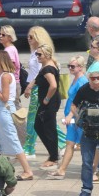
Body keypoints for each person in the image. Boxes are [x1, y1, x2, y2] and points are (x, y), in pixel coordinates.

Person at [66, 69, 99, 196]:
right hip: (88, 131)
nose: (96, 81)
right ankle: (86, 189)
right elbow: (73, 105)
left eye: (98, 78)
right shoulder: (84, 89)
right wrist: (80, 117)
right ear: (89, 79)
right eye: (93, 78)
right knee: (86, 162)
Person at [0, 51, 34, 181]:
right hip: (2, 110)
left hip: (5, 111)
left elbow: (5, 97)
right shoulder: (2, 75)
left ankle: (27, 171)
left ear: (0, 59)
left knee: (12, 139)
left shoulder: (5, 76)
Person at [23, 27, 66, 159]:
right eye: (28, 36)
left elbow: (50, 82)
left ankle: (29, 148)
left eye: (31, 37)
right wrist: (29, 86)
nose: (28, 39)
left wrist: (45, 97)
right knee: (44, 121)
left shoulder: (45, 60)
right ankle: (63, 143)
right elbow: (38, 74)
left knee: (37, 120)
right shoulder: (36, 54)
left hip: (41, 91)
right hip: (36, 88)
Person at [51, 56, 88, 180]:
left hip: (77, 118)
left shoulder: (82, 81)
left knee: (85, 144)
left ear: (81, 67)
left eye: (73, 66)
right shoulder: (75, 79)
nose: (70, 68)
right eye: (69, 66)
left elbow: (81, 102)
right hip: (71, 118)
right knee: (70, 143)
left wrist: (70, 115)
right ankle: (62, 169)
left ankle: (95, 169)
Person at [32, 44, 61, 169]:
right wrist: (29, 87)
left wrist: (46, 99)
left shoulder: (48, 68)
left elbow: (53, 85)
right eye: (36, 54)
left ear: (47, 55)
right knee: (39, 126)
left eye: (39, 54)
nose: (37, 56)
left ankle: (54, 157)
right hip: (49, 102)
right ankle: (53, 154)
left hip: (49, 102)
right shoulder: (47, 66)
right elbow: (38, 79)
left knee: (48, 129)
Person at [0, 26, 22, 107]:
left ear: (10, 37)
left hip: (9, 84)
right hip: (10, 83)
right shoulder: (9, 49)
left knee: (13, 112)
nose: (0, 36)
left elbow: (9, 68)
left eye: (3, 35)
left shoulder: (9, 50)